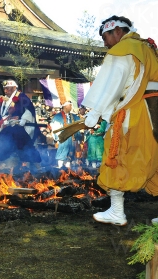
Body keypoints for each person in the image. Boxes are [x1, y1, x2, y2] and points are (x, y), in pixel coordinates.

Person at [81, 15, 158, 226]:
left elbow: (111, 86)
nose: (105, 43)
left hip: (133, 114)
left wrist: (95, 113)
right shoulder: (149, 49)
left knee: (116, 156)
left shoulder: (124, 50)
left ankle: (117, 211)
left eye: (105, 37)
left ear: (116, 31)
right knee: (154, 159)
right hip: (154, 114)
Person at [0, 79, 41, 170]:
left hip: (20, 128)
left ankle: (38, 167)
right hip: (8, 128)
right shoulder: (2, 100)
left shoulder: (22, 97)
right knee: (2, 144)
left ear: (14, 88)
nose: (6, 91)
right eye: (5, 89)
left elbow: (30, 110)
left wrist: (24, 119)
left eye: (8, 89)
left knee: (26, 147)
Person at [50, 101, 82, 168]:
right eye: (70, 105)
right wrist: (58, 138)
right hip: (63, 138)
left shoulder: (73, 116)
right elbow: (55, 128)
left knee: (69, 155)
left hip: (71, 139)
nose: (71, 107)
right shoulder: (58, 117)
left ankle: (68, 169)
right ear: (65, 106)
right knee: (62, 154)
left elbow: (78, 124)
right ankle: (60, 168)